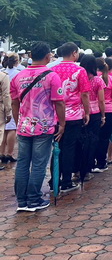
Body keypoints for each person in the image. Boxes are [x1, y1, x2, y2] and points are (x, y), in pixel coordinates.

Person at [10, 42, 65, 212]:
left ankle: (22, 200)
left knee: (22, 163)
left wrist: (19, 120)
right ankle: (34, 199)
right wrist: (62, 124)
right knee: (39, 164)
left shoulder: (18, 76)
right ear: (48, 56)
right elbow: (59, 103)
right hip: (44, 125)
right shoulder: (52, 76)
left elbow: (14, 103)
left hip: (24, 126)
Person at [51, 42, 91, 193]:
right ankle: (66, 180)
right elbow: (85, 94)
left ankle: (54, 179)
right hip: (73, 115)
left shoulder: (52, 70)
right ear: (74, 53)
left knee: (56, 148)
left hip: (55, 115)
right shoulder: (80, 71)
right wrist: (86, 112)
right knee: (69, 148)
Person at [94, 58, 112, 172]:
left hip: (95, 110)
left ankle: (91, 162)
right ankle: (101, 162)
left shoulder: (92, 78)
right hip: (110, 110)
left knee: (94, 137)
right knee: (105, 138)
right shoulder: (111, 79)